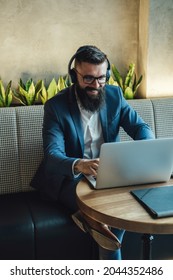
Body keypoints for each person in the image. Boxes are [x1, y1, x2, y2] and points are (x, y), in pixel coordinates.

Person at [31, 45, 154, 260]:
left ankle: (91, 219)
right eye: (88, 79)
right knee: (111, 218)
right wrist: (80, 164)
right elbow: (52, 155)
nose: (96, 85)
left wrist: (145, 147)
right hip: (70, 177)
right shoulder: (55, 107)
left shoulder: (114, 95)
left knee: (118, 209)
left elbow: (140, 128)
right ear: (74, 75)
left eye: (101, 78)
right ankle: (94, 221)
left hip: (108, 175)